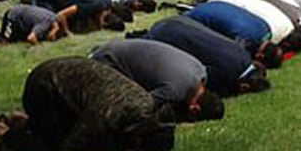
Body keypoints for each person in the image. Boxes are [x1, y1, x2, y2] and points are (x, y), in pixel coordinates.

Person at [0, 57, 175, 151]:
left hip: (63, 84)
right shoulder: (109, 114)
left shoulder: (143, 105)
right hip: (44, 89)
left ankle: (23, 122)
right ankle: (3, 135)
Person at [90, 39, 224, 122]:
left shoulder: (200, 70)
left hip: (115, 48)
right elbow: (138, 105)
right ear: (194, 109)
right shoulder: (175, 91)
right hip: (108, 62)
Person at [145, 16, 270, 97]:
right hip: (165, 37)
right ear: (245, 87)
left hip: (178, 23)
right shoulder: (228, 73)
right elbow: (200, 79)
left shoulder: (244, 54)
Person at [0, 5, 65, 44]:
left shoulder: (53, 16)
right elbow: (31, 38)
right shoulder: (44, 24)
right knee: (6, 41)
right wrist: (39, 47)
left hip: (22, 16)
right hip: (13, 16)